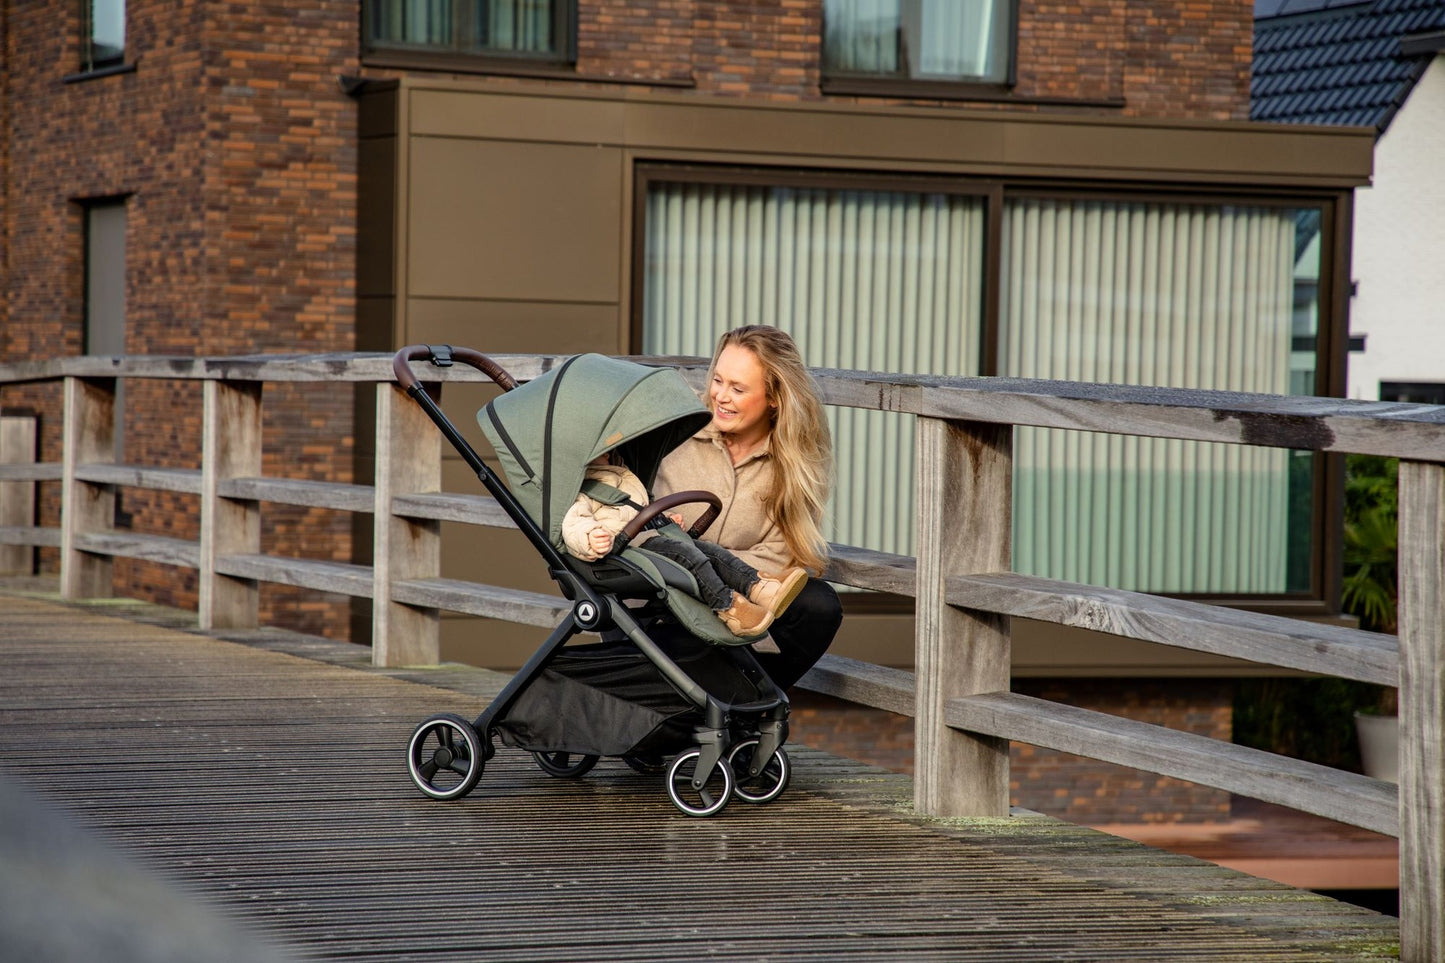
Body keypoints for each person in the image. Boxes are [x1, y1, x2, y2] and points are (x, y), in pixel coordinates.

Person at [652, 325, 843, 689]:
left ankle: (737, 711)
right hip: (662, 600)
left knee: (819, 605)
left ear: (774, 397)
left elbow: (781, 558)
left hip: (743, 607)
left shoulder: (794, 464)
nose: (721, 396)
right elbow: (631, 512)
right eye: (718, 380)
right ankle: (730, 713)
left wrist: (703, 559)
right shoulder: (673, 428)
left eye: (738, 389)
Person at [561, 452, 809, 638]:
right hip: (627, 552)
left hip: (650, 537)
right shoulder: (581, 491)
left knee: (711, 552)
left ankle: (760, 587)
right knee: (689, 555)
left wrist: (664, 521)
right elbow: (574, 523)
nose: (606, 452)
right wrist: (591, 537)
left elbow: (637, 510)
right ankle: (729, 607)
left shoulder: (624, 476)